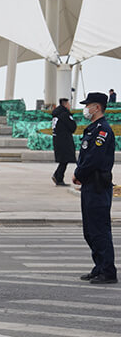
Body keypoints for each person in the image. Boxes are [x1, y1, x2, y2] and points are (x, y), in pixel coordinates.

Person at [73, 92, 117, 284]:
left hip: (98, 186)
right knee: (90, 231)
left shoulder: (102, 131)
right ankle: (99, 267)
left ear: (97, 107)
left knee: (99, 230)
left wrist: (78, 173)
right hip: (90, 186)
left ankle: (108, 271)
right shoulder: (92, 129)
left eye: (88, 105)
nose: (86, 109)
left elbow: (94, 159)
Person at [51, 98, 76, 186]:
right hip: (64, 140)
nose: (70, 105)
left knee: (63, 160)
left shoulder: (56, 115)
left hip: (57, 139)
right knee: (65, 159)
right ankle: (58, 177)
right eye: (69, 103)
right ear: (65, 104)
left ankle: (58, 176)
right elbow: (72, 127)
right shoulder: (65, 114)